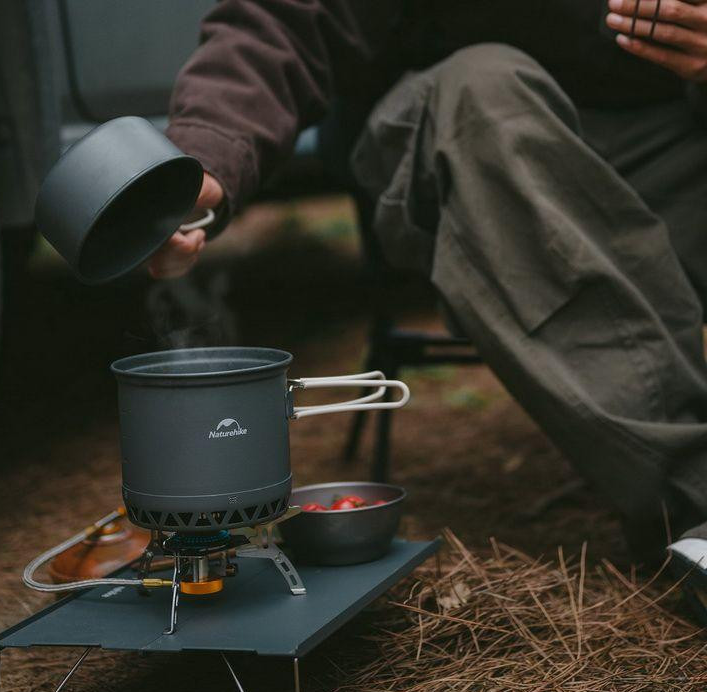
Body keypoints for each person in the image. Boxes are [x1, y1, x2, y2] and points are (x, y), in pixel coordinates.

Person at [149, 1, 707, 610]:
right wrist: (206, 156)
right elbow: (283, 18)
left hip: (664, 132)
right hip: (457, 121)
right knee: (482, 93)